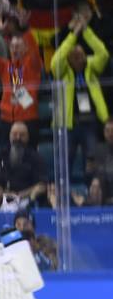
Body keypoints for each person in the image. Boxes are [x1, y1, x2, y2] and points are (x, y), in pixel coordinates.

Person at [51, 12, 109, 176]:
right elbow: (55, 61)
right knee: (63, 165)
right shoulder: (62, 71)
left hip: (90, 123)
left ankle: (92, 194)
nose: (79, 58)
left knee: (92, 165)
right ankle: (64, 198)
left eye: (81, 55)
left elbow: (103, 53)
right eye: (74, 56)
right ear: (68, 57)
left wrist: (85, 30)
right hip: (67, 125)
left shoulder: (91, 67)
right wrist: (73, 34)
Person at [0, 15, 42, 148]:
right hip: (7, 120)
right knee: (5, 157)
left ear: (26, 49)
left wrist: (25, 29)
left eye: (18, 46)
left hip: (28, 119)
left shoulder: (32, 66)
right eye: (13, 46)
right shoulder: (4, 66)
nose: (14, 49)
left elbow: (35, 51)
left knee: (29, 158)